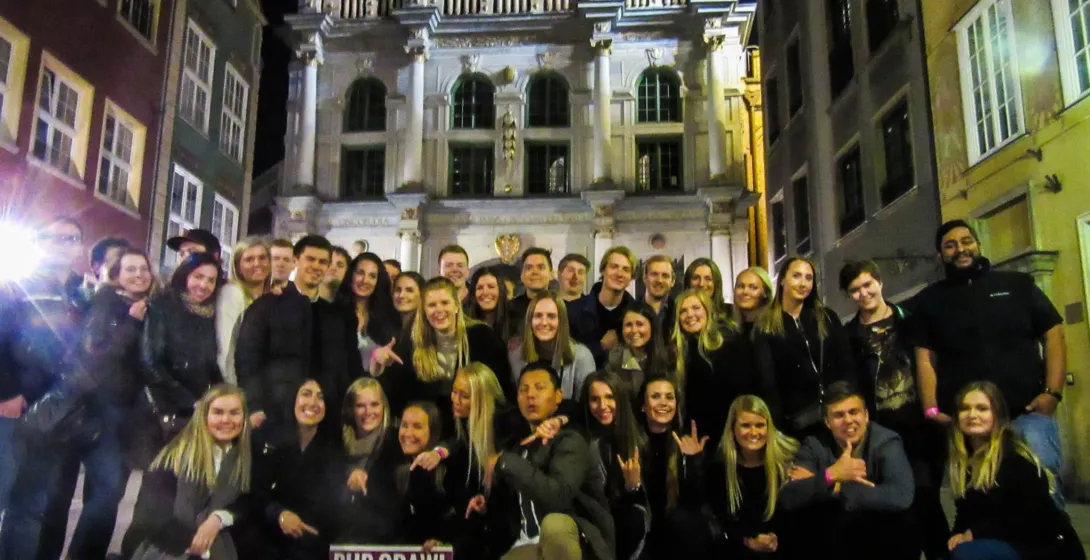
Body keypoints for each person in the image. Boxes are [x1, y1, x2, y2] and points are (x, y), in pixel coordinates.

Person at [913, 219, 1067, 505]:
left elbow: (1053, 333)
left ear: (978, 245)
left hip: (1027, 413)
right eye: (950, 245)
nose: (961, 249)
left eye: (966, 241)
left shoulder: (1017, 285)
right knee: (980, 499)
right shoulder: (930, 301)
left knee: (1044, 492)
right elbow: (925, 357)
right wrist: (931, 409)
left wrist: (1052, 393)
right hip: (969, 423)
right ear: (940, 255)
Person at [840, 259, 948, 559]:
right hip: (880, 433)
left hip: (919, 429)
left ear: (879, 282)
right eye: (855, 290)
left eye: (867, 285)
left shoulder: (911, 321)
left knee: (926, 499)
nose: (864, 293)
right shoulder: (848, 337)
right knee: (895, 509)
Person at [0, 217, 91, 545]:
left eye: (71, 239)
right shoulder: (17, 285)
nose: (62, 245)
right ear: (39, 243)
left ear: (80, 247)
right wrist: (7, 392)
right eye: (54, 238)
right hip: (15, 407)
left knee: (31, 507)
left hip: (54, 413)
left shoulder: (82, 295)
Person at [236, 235, 363, 447]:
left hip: (325, 420)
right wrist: (255, 406)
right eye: (310, 259)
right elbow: (247, 359)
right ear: (296, 261)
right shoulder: (266, 307)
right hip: (275, 416)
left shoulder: (336, 316)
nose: (316, 266)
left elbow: (347, 365)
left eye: (322, 262)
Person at [483, 362, 615, 560]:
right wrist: (484, 502)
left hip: (578, 542)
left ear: (558, 396)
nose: (531, 395)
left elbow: (558, 497)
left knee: (555, 525)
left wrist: (507, 462)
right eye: (524, 389)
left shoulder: (570, 440)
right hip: (527, 542)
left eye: (540, 388)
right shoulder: (517, 446)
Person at [945, 381, 1083, 560]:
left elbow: (1030, 520)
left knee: (969, 553)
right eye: (965, 408)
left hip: (1043, 548)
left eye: (982, 408)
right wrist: (957, 536)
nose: (972, 415)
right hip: (1001, 544)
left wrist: (974, 533)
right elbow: (966, 514)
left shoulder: (1016, 462)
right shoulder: (964, 464)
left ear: (998, 415)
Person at [780, 380, 916, 560]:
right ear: (827, 422)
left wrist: (837, 487)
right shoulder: (814, 445)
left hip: (879, 536)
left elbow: (901, 496)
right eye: (838, 415)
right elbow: (790, 496)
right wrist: (831, 474)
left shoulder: (886, 442)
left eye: (854, 412)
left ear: (866, 415)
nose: (848, 420)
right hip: (831, 539)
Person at [125, 385, 253, 560]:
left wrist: (218, 519)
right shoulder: (175, 454)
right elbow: (151, 516)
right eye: (217, 412)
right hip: (171, 548)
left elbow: (246, 502)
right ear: (204, 415)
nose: (226, 420)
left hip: (221, 546)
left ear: (244, 417)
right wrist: (196, 542)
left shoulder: (247, 457)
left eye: (234, 413)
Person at [370, 277, 513, 420]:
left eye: (445, 303)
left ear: (456, 306)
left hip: (475, 420)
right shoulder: (412, 341)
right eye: (432, 305)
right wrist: (378, 367)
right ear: (424, 310)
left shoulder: (482, 336)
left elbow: (499, 390)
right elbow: (397, 394)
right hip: (430, 422)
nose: (439, 310)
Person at [754, 257, 856, 439]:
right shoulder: (766, 325)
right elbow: (768, 382)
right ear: (782, 280)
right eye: (796, 276)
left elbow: (846, 363)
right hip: (795, 423)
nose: (803, 283)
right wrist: (778, 427)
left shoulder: (826, 317)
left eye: (809, 278)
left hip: (836, 415)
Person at [252, 379, 341, 559]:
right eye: (306, 394)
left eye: (320, 397)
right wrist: (280, 514)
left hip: (314, 543)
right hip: (270, 540)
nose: (313, 403)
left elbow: (333, 504)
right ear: (293, 399)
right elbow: (255, 491)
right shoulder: (269, 437)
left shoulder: (334, 446)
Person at [707, 395, 799, 558]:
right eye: (745, 425)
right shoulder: (719, 469)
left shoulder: (787, 461)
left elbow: (793, 517)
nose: (754, 432)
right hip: (740, 549)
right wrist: (749, 541)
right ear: (732, 428)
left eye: (760, 425)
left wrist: (775, 538)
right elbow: (724, 521)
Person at [578, 370, 647, 559]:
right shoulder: (583, 441)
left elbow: (642, 508)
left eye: (610, 397)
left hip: (628, 526)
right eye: (595, 399)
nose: (602, 406)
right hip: (593, 521)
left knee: (632, 519)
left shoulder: (636, 439)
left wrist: (632, 486)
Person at [669, 288, 747, 448]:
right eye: (683, 311)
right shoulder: (678, 350)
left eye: (696, 308)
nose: (690, 314)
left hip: (727, 436)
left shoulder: (728, 343)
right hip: (694, 438)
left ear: (707, 311)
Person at [509, 291, 596, 402]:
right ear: (529, 320)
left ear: (561, 321)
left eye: (551, 316)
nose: (544, 322)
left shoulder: (582, 357)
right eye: (538, 316)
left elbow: (586, 406)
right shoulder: (516, 353)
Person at [568, 246, 637, 368]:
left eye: (626, 270)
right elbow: (567, 355)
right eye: (614, 267)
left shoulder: (637, 314)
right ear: (603, 270)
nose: (619, 274)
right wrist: (600, 347)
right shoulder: (573, 311)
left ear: (631, 277)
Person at [216, 238, 272, 385]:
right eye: (249, 259)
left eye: (262, 258)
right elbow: (226, 349)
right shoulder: (233, 293)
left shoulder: (271, 297)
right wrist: (234, 388)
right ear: (238, 267)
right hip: (240, 384)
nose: (257, 264)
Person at [335, 252, 400, 373]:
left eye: (372, 276)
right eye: (360, 273)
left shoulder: (388, 317)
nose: (365, 280)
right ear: (350, 275)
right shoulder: (334, 312)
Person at [605, 302, 673, 400]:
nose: (634, 330)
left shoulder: (669, 358)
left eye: (640, 324)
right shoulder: (614, 360)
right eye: (628, 325)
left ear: (652, 326)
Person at [466, 266, 518, 341]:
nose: (485, 292)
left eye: (491, 287)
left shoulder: (517, 322)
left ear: (501, 290)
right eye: (479, 288)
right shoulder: (465, 324)